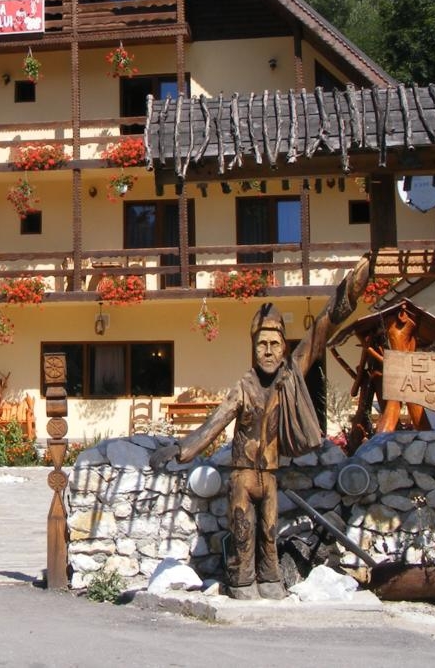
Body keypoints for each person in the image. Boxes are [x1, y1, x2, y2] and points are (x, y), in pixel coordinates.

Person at [149, 255, 371, 600]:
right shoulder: (244, 388)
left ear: (284, 347)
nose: (268, 351)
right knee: (242, 531)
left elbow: (321, 331)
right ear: (253, 348)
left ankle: (270, 581)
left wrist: (350, 293)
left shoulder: (288, 378)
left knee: (269, 533)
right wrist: (179, 450)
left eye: (275, 344)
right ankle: (240, 583)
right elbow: (212, 425)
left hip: (270, 475)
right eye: (262, 345)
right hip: (241, 476)